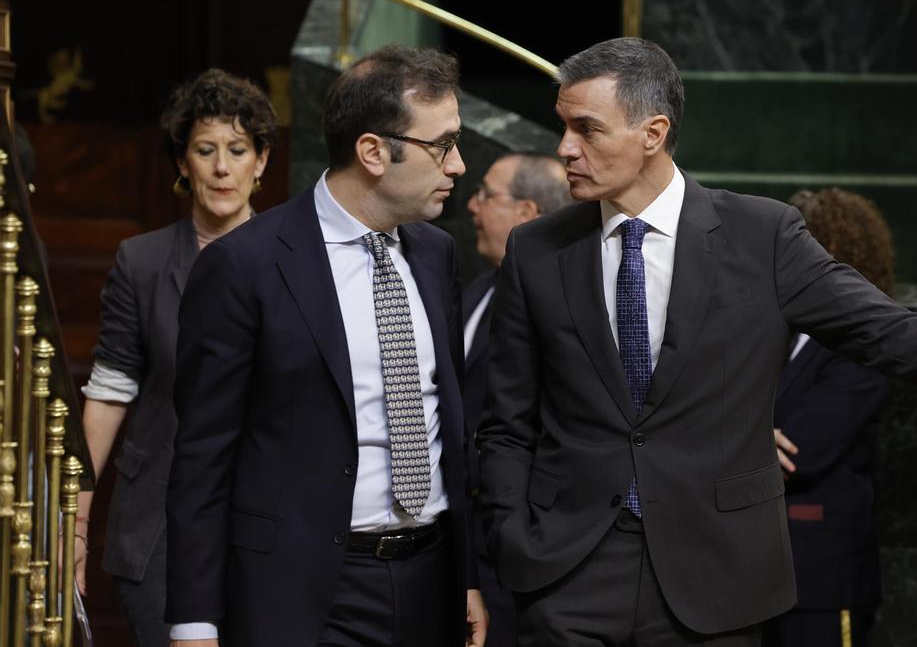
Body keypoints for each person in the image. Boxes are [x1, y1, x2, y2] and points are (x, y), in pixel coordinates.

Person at [475, 37, 917, 645]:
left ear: (653, 133)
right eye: (564, 127)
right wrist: (512, 535)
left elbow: (883, 327)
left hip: (715, 575)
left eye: (586, 129)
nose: (564, 150)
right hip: (567, 573)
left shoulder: (762, 236)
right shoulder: (537, 250)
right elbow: (506, 421)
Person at [165, 45, 486, 646]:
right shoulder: (244, 266)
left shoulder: (437, 254)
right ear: (372, 152)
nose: (458, 164)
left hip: (430, 579)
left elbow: (449, 426)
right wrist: (194, 620)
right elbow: (202, 459)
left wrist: (464, 577)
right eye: (442, 145)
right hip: (305, 591)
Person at [74, 68, 275, 646]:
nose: (221, 167)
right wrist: (78, 524)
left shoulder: (294, 258)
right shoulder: (141, 262)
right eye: (205, 149)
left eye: (237, 150)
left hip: (264, 518)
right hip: (160, 522)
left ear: (260, 161)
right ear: (183, 163)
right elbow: (110, 394)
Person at [766, 188, 896, 647]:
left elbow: (801, 452)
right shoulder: (769, 332)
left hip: (820, 575)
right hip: (743, 574)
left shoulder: (862, 346)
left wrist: (726, 443)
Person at [463, 153, 571, 646]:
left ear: (526, 213)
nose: (471, 205)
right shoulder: (474, 289)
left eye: (486, 195)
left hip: (525, 551)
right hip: (460, 546)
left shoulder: (569, 301)